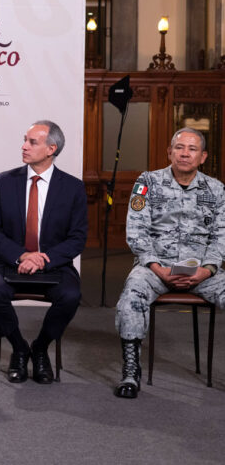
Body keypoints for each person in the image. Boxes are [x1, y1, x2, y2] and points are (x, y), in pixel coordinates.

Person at [114, 127, 225, 398]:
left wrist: (206, 270)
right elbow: (136, 230)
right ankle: (131, 370)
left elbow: (221, 236)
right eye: (179, 148)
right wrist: (157, 268)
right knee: (132, 293)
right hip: (155, 267)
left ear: (203, 156)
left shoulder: (217, 189)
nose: (185, 154)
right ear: (169, 152)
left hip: (202, 270)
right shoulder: (147, 182)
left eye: (192, 149)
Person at [0, 120, 87, 384]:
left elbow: (77, 238)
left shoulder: (73, 188)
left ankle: (40, 348)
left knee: (71, 295)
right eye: (25, 140)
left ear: (51, 148)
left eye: (32, 142)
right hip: (8, 262)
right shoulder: (5, 182)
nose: (24, 146)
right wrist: (21, 256)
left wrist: (43, 258)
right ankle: (19, 348)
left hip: (54, 265)